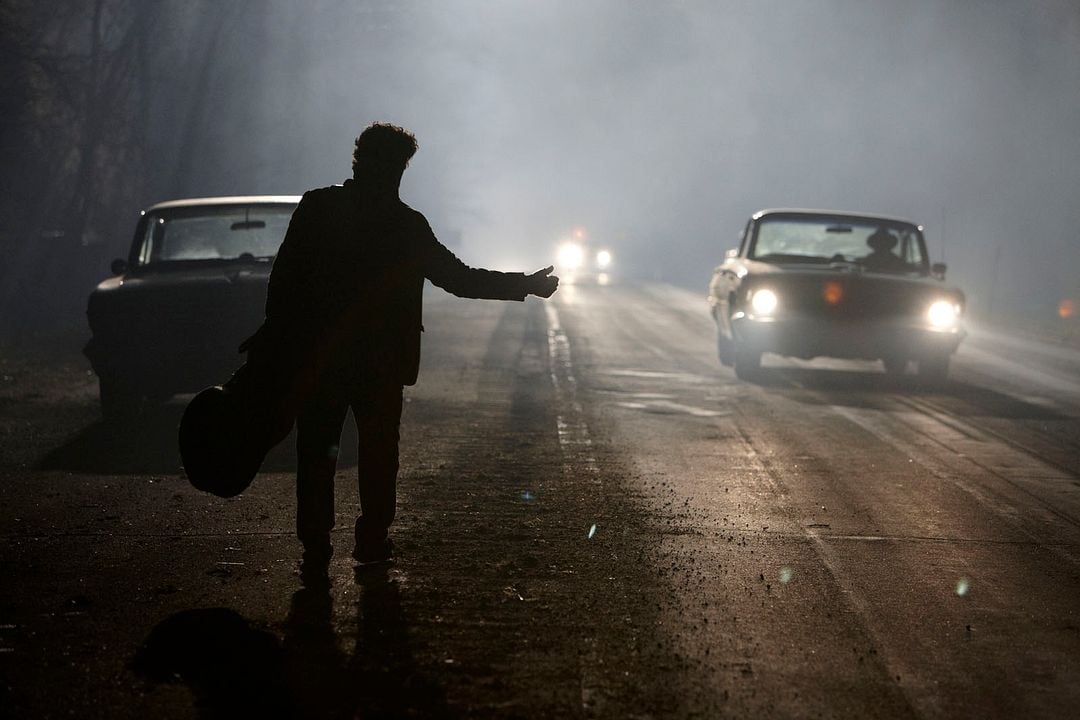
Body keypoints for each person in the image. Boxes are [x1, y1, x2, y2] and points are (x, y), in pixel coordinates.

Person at [254, 123, 558, 583]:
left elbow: (285, 279)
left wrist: (274, 334)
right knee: (378, 452)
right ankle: (372, 541)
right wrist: (525, 285)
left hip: (322, 357)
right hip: (380, 362)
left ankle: (316, 547)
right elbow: (459, 279)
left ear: (359, 159)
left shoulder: (320, 207)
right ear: (394, 167)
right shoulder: (405, 225)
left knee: (317, 451)